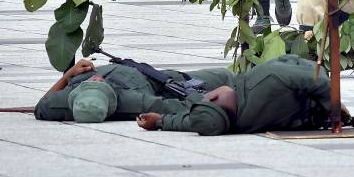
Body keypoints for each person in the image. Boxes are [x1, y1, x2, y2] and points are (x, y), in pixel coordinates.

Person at [135, 55, 331, 136]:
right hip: (306, 71)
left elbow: (191, 121)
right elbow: (318, 81)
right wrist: (335, 107)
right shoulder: (266, 80)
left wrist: (160, 122)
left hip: (303, 102)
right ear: (213, 98)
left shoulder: (233, 125)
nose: (206, 95)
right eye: (206, 97)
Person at [34, 58, 232, 123]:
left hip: (135, 68)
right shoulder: (133, 102)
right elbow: (182, 106)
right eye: (100, 84)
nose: (97, 77)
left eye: (90, 82)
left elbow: (42, 104)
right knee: (224, 76)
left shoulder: (59, 104)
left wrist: (68, 75)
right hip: (161, 80)